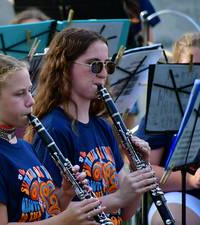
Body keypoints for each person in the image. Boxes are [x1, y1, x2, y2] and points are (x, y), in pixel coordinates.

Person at [0, 53, 107, 225]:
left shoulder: (25, 147)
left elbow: (45, 212)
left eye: (29, 91)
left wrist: (65, 193)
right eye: (19, 94)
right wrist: (64, 221)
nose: (30, 101)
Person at [25, 28, 157, 225]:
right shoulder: (53, 129)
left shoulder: (103, 126)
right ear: (64, 67)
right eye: (93, 65)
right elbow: (52, 211)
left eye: (107, 65)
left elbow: (124, 214)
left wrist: (139, 170)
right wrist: (118, 198)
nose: (103, 73)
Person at [137, 32, 200, 225]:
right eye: (189, 70)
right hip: (182, 196)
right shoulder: (162, 111)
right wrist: (190, 181)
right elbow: (143, 170)